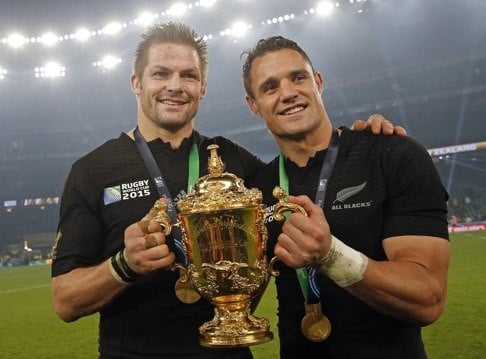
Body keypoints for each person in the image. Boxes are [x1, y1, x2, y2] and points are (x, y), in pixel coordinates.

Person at [51, 22, 403, 359]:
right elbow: (66, 301)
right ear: (136, 83)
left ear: (202, 88)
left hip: (229, 353)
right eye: (160, 73)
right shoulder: (93, 171)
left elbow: (305, 165)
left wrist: (364, 141)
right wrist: (124, 265)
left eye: (189, 75)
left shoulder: (236, 161)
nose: (175, 85)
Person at [242, 36, 450, 359]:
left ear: (318, 82)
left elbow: (428, 298)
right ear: (253, 104)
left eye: (298, 78)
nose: (288, 93)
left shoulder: (391, 154)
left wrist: (330, 255)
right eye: (270, 87)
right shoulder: (255, 190)